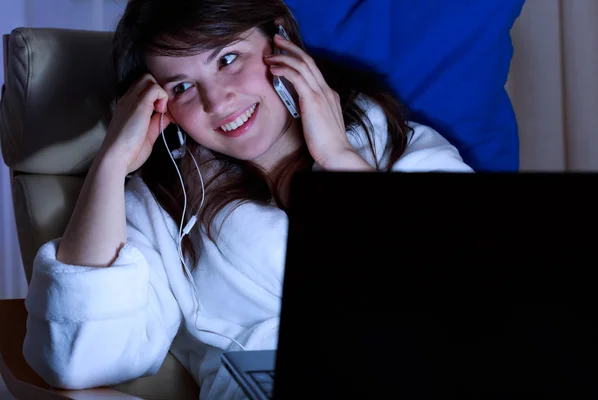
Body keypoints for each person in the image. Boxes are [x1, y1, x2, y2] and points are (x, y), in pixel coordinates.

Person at [22, 0, 473, 398]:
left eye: (228, 59)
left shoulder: (389, 140)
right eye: (181, 87)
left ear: (280, 38)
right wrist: (112, 161)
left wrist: (339, 159)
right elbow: (79, 357)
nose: (218, 102)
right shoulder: (162, 204)